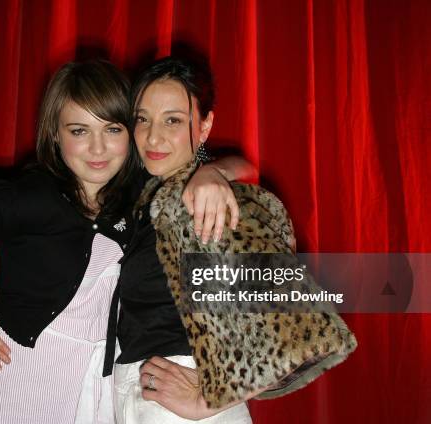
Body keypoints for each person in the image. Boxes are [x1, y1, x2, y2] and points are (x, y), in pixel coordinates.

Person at [0, 59, 249, 424]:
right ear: (55, 133)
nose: (97, 149)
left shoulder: (152, 194)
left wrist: (215, 172)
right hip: (13, 377)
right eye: (78, 131)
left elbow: (299, 310)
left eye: (112, 129)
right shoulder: (27, 197)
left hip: (100, 392)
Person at [109, 56, 357, 423]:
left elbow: (306, 331)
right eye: (142, 119)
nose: (152, 136)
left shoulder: (214, 206)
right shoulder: (148, 200)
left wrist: (207, 402)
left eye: (173, 120)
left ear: (205, 126)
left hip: (179, 407)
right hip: (134, 397)